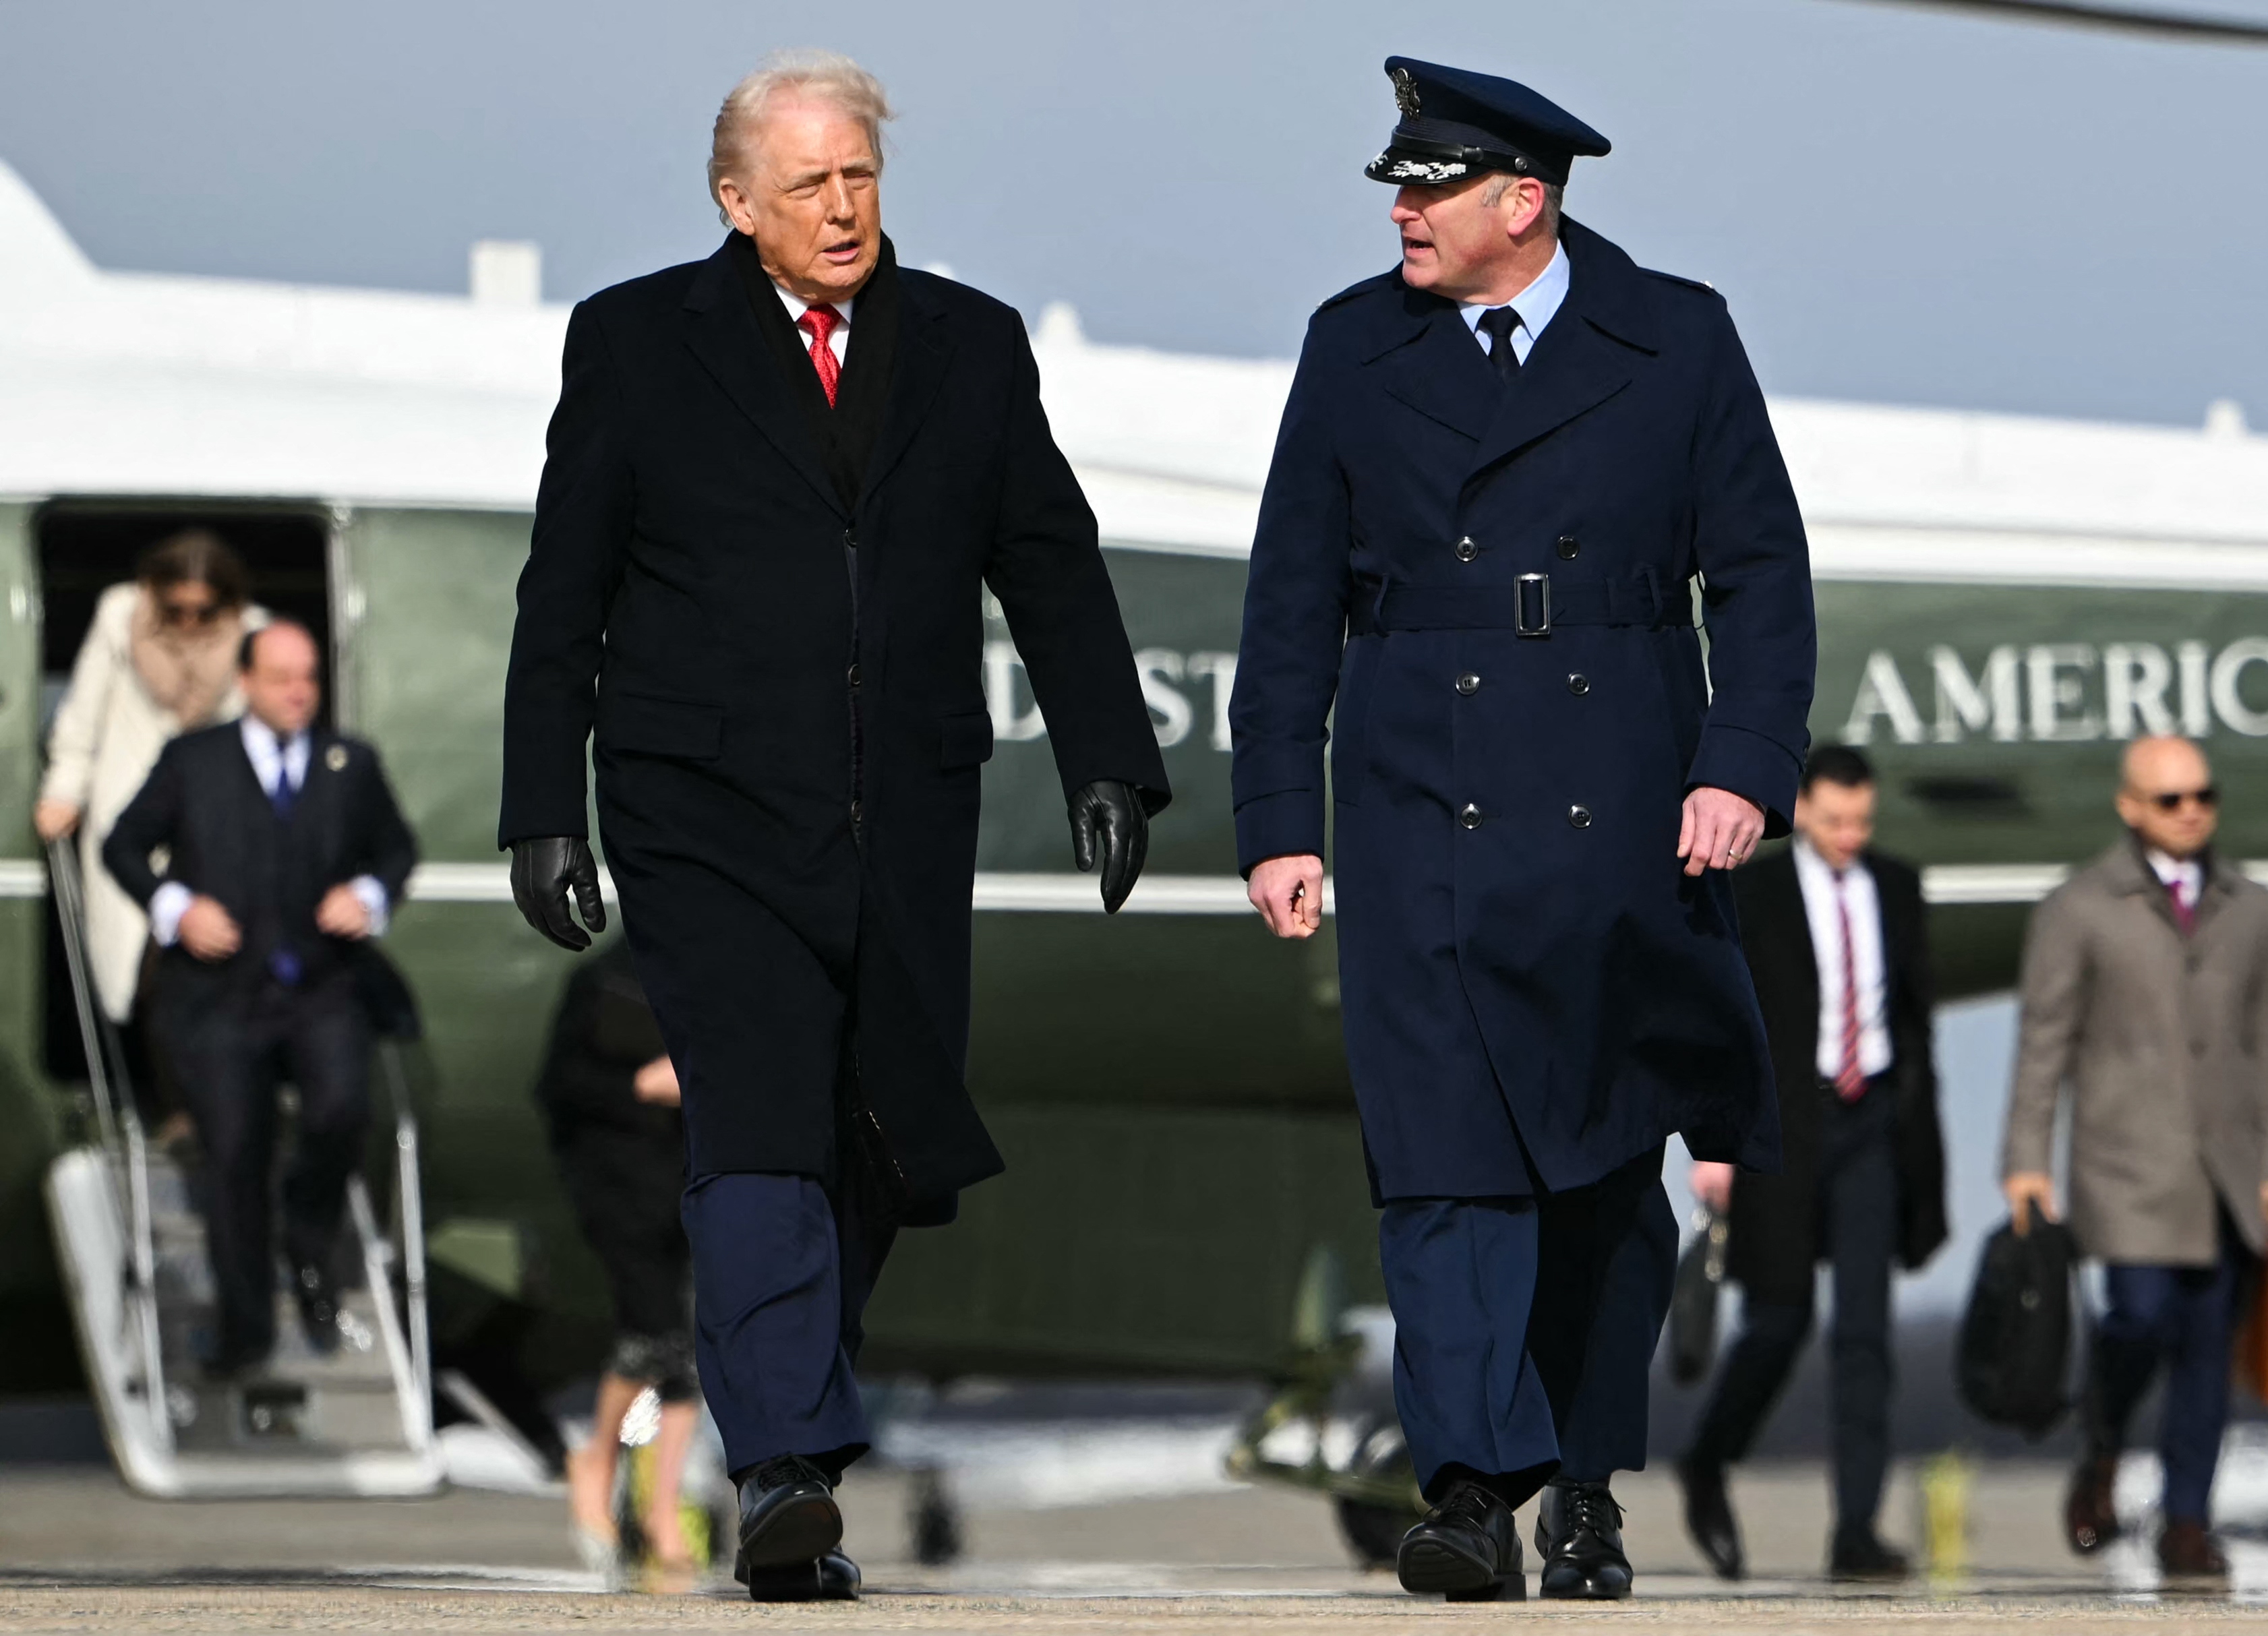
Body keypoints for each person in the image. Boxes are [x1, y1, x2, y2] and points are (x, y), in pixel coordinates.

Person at [497, 52, 1167, 1603]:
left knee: (875, 1128)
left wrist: (1112, 762)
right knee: (757, 1118)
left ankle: (792, 1442)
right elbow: (564, 590)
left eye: (859, 174)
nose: (844, 205)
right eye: (808, 184)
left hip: (905, 802)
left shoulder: (970, 346)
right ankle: (786, 1462)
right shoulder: (635, 343)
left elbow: (1049, 561)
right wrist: (544, 802)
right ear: (738, 203)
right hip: (701, 806)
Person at [1232, 58, 1815, 1602]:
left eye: (1430, 189)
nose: (1402, 212)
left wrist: (1741, 764)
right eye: (1399, 188)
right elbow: (1289, 600)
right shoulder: (1353, 347)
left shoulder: (1675, 336)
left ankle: (1587, 1482)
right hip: (1420, 791)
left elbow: (1759, 569)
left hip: (1625, 792)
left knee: (1603, 1173)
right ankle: (1472, 1487)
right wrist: (1278, 817)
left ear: (1525, 202)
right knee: (1439, 1165)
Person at [2002, 734, 2268, 1582]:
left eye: (2202, 794)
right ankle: (2100, 1442)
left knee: (2207, 1345)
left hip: (2227, 1168)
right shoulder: (2079, 906)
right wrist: (2026, 1156)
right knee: (2136, 1316)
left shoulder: (2251, 907)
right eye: (2169, 799)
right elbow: (2042, 1042)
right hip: (2123, 1163)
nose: (2191, 810)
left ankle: (2185, 1523)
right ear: (2129, 806)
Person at [101, 621, 417, 1375]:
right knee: (235, 1154)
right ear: (246, 682)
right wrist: (177, 908)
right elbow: (122, 844)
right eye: (281, 677)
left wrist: (369, 893)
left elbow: (396, 849)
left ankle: (307, 1240)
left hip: (319, 986)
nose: (298, 691)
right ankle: (246, 1327)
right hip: (217, 996)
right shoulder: (193, 761)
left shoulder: (350, 764)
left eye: (307, 677)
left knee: (342, 1111)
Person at [1679, 745, 1946, 1581]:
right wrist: (1715, 1144)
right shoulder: (1754, 892)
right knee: (1778, 1322)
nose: (1848, 835)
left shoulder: (1895, 889)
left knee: (1864, 1337)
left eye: (1861, 821)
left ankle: (1856, 1531)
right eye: (1833, 820)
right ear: (1801, 810)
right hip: (1781, 1135)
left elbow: (1914, 1023)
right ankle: (1707, 1460)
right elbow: (1722, 1022)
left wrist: (1917, 1148)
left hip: (1868, 1128)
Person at [36, 529, 268, 1103]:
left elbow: (256, 737)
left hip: (209, 825)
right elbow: (84, 713)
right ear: (150, 593)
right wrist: (64, 787)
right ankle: (179, 1105)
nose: (188, 623)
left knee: (200, 962)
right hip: (128, 816)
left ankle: (197, 1109)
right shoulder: (120, 616)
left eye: (205, 611)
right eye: (174, 610)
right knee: (141, 967)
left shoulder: (253, 632)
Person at [533, 938, 705, 1589]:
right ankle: (598, 1459)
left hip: (685, 1184)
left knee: (684, 1349)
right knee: (651, 1333)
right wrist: (643, 1084)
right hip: (614, 1186)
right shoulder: (605, 977)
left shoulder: (721, 972)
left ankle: (661, 1506)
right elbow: (558, 1084)